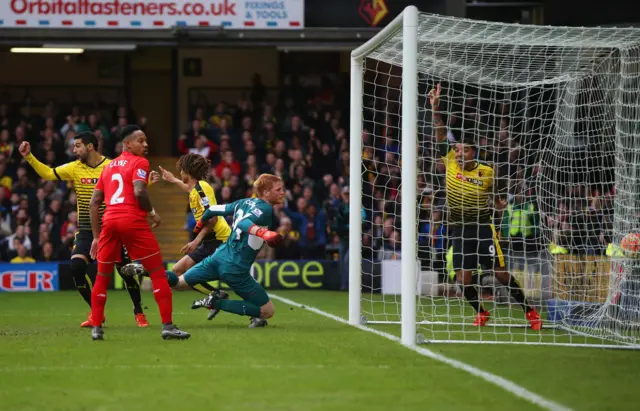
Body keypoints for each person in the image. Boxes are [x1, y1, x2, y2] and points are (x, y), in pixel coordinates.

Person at [429, 84, 542, 330]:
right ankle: (481, 312)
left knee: (501, 275)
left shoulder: (488, 172)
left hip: (483, 229)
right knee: (463, 280)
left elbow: (499, 200)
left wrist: (500, 218)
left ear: (474, 153)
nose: (459, 153)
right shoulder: (450, 164)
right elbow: (439, 133)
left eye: (464, 150)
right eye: (457, 149)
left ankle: (530, 311)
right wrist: (435, 108)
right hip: (460, 230)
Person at [19, 133, 149, 328]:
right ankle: (96, 313)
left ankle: (139, 312)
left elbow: (132, 185)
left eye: (77, 146)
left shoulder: (112, 166)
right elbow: (47, 173)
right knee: (76, 267)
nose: (73, 150)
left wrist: (150, 182)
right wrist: (29, 156)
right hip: (87, 229)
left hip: (112, 227)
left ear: (90, 147)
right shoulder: (74, 168)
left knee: (125, 272)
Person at [88, 125, 189, 341]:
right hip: (131, 219)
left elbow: (94, 203)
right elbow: (138, 191)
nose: (146, 144)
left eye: (145, 141)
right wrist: (152, 213)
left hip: (109, 221)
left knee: (102, 276)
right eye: (141, 141)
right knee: (158, 274)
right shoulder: (140, 162)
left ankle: (97, 328)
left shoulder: (107, 167)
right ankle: (168, 326)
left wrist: (96, 236)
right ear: (127, 144)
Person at [164, 174, 284, 328]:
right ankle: (216, 302)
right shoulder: (265, 209)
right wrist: (263, 233)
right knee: (267, 310)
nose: (282, 192)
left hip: (217, 257)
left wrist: (200, 223)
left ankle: (147, 271)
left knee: (178, 284)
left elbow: (213, 209)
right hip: (235, 267)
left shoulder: (244, 202)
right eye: (278, 189)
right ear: (266, 193)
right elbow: (243, 223)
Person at [123, 153, 232, 320]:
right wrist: (173, 180)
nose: (180, 173)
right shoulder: (196, 189)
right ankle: (216, 294)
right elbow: (189, 188)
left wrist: (195, 241)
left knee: (231, 276)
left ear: (187, 171)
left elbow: (213, 218)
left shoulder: (202, 188)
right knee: (177, 270)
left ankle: (255, 310)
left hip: (220, 239)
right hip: (210, 239)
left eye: (181, 171)